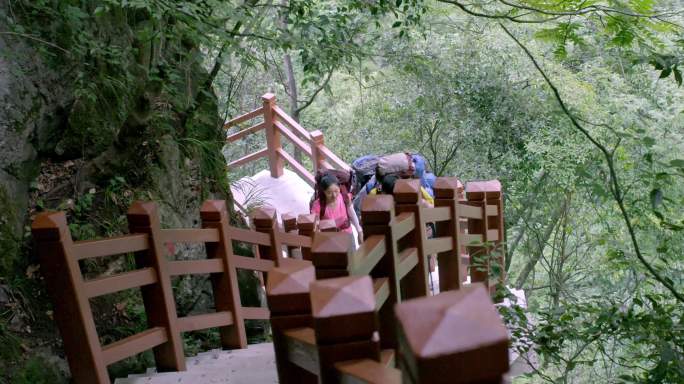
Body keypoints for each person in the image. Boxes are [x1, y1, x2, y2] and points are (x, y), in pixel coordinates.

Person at [311, 174, 363, 244]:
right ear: (324, 192)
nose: (334, 195)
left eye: (336, 191)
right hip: (330, 240)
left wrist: (359, 231)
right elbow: (315, 225)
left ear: (339, 187)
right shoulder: (318, 205)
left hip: (347, 235)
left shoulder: (345, 197)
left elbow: (352, 214)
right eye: (329, 193)